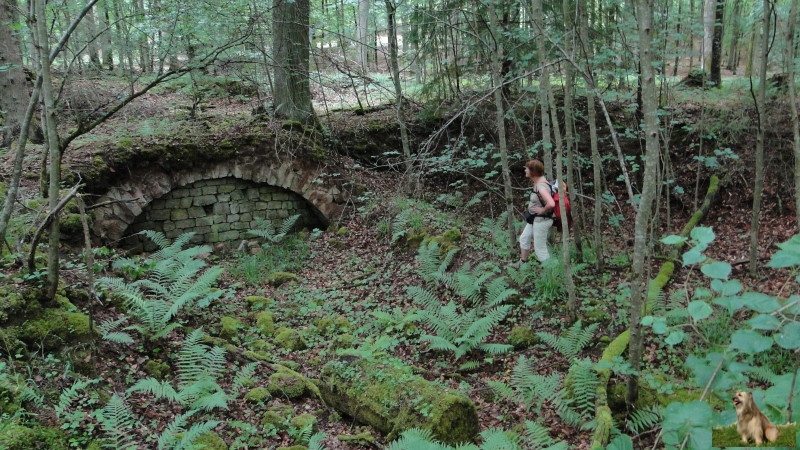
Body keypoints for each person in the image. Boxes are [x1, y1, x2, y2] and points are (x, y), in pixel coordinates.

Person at [509, 159, 555, 268]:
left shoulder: (541, 186)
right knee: (524, 238)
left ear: (533, 171)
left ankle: (551, 275)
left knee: (540, 249)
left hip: (542, 220)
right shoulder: (538, 183)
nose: (525, 170)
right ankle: (522, 263)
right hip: (535, 219)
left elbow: (551, 204)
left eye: (527, 168)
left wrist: (542, 210)